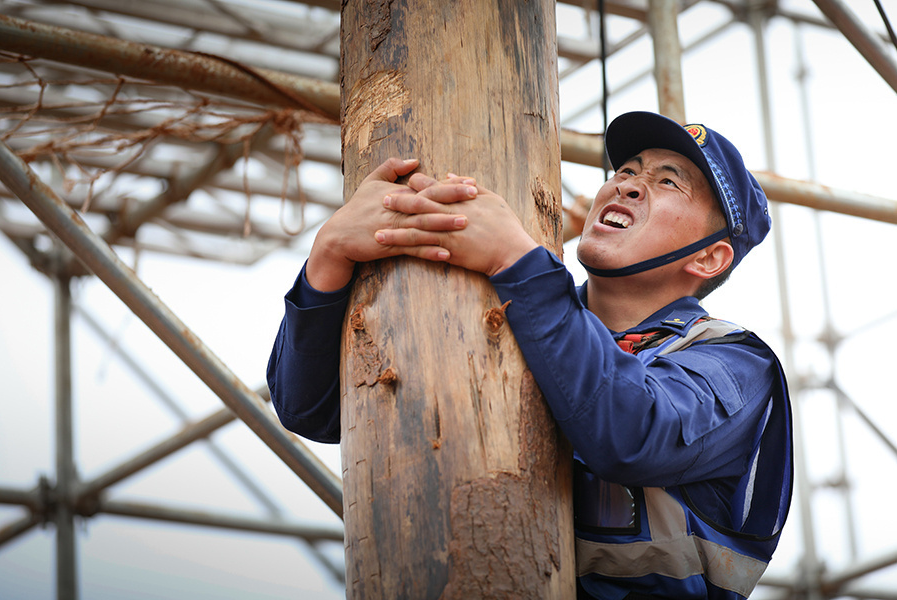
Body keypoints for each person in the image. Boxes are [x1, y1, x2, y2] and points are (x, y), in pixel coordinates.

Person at [267, 111, 793, 599]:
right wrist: (328, 258)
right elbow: (311, 410)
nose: (627, 183)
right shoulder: (524, 308)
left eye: (668, 181)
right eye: (627, 170)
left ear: (709, 257)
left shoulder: (735, 363)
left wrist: (515, 259)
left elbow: (633, 434)